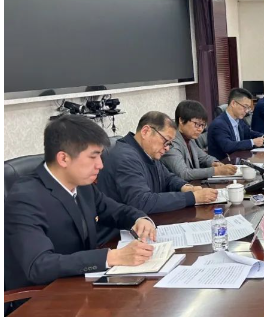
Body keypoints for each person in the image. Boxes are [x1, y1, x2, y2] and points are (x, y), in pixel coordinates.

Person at [5, 115, 157, 293]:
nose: (100, 165)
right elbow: (39, 266)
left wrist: (139, 219)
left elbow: (116, 211)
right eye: (93, 157)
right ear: (63, 159)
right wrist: (111, 257)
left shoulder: (83, 186)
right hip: (42, 296)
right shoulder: (25, 198)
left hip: (82, 284)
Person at [97, 111, 218, 220]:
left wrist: (186, 187)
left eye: (169, 144)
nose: (167, 148)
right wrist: (192, 197)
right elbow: (142, 201)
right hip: (119, 232)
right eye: (166, 141)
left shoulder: (146, 151)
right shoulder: (125, 157)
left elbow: (167, 177)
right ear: (146, 132)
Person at [161, 100, 237, 181]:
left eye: (203, 125)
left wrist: (215, 163)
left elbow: (204, 157)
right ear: (181, 120)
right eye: (197, 124)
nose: (200, 129)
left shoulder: (189, 139)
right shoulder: (171, 143)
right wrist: (215, 171)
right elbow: (183, 173)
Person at [207, 88, 264, 160]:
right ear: (233, 103)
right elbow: (228, 146)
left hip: (239, 159)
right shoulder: (219, 124)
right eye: (245, 107)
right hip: (225, 163)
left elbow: (248, 132)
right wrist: (252, 142)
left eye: (248, 108)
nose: (246, 111)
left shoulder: (239, 119)